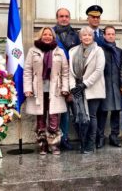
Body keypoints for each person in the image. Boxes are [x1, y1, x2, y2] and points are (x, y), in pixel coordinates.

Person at [23, 27, 69, 155]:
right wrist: (27, 89)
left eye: (50, 34)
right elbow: (27, 71)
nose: (47, 36)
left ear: (53, 37)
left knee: (54, 118)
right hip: (38, 90)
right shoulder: (33, 51)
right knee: (41, 119)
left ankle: (54, 144)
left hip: (55, 90)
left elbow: (65, 72)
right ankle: (42, 144)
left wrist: (65, 88)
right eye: (45, 34)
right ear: (41, 36)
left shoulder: (59, 52)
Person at [69, 26, 105, 153]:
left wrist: (85, 84)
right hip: (77, 89)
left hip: (93, 88)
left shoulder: (98, 50)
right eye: (84, 35)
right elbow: (70, 71)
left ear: (93, 37)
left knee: (92, 116)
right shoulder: (73, 51)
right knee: (78, 117)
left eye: (89, 35)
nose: (87, 37)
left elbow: (99, 71)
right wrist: (73, 87)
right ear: (80, 37)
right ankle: (82, 141)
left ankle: (91, 143)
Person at [53, 8, 80, 150]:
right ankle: (53, 139)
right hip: (54, 79)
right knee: (55, 112)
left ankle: (64, 138)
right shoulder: (50, 34)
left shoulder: (75, 35)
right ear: (57, 18)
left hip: (70, 77)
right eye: (61, 16)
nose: (64, 19)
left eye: (66, 16)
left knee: (68, 112)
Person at [96, 26, 122, 148]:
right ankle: (100, 137)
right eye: (108, 34)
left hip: (117, 85)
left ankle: (114, 136)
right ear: (104, 36)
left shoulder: (119, 51)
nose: (111, 36)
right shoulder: (99, 50)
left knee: (116, 111)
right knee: (102, 112)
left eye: (113, 34)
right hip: (104, 84)